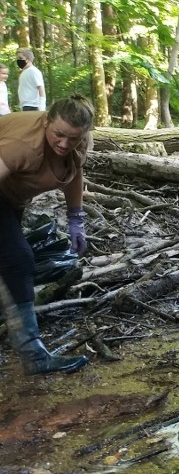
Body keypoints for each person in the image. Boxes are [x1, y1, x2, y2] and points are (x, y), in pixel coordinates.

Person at [0, 95, 94, 375]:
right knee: (18, 260)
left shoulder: (79, 142)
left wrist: (76, 219)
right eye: (59, 135)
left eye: (73, 139)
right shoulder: (23, 145)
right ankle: (35, 357)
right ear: (46, 122)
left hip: (11, 198)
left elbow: (74, 171)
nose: (65, 144)